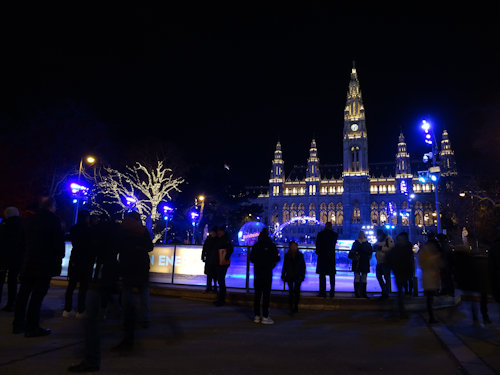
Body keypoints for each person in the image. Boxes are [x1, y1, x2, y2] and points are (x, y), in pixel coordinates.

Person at [68, 214, 120, 373]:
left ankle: (91, 359)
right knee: (94, 316)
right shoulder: (114, 237)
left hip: (98, 277)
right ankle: (91, 358)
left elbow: (90, 251)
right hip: (106, 276)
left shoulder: (96, 237)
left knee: (91, 319)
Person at [13, 197, 65, 337]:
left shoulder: (30, 220)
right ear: (52, 206)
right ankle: (32, 326)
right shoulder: (54, 221)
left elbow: (22, 242)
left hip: (29, 262)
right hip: (44, 264)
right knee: (37, 297)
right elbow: (58, 244)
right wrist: (58, 257)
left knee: (23, 294)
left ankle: (18, 324)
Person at [115, 211, 154, 350]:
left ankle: (126, 318)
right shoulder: (142, 230)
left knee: (126, 291)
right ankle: (145, 319)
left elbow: (117, 246)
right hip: (141, 264)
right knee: (144, 291)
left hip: (126, 263)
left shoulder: (122, 229)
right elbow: (150, 247)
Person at [63, 210, 93, 318]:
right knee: (83, 287)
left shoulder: (74, 229)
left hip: (75, 258)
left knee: (71, 285)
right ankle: (81, 310)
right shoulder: (90, 230)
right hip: (86, 260)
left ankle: (67, 308)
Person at [250, 228, 280, 324]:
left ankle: (257, 315)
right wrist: (271, 263)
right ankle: (265, 316)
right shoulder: (271, 245)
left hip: (258, 271)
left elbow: (251, 258)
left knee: (257, 294)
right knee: (266, 294)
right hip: (267, 272)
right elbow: (277, 257)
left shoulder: (256, 245)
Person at [0, 207, 25, 312]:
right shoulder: (23, 226)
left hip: (3, 257)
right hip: (17, 258)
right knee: (13, 281)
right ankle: (11, 303)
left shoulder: (3, 227)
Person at [387, 232, 414, 318]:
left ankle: (399, 309)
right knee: (400, 292)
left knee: (400, 292)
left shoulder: (402, 249)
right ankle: (401, 311)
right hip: (400, 272)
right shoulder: (400, 249)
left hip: (402, 272)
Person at [418, 232, 443, 324]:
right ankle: (431, 317)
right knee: (430, 298)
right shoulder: (428, 252)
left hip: (431, 276)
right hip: (430, 277)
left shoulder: (426, 250)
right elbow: (425, 263)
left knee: (431, 298)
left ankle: (432, 316)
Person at [281, 241, 305, 315]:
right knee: (291, 292)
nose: (293, 247)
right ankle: (292, 307)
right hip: (290, 275)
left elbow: (303, 266)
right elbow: (284, 266)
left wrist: (302, 275)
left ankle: (295, 306)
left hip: (298, 276)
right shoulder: (287, 255)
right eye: (292, 246)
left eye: (295, 246)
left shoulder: (300, 255)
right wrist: (283, 274)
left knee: (296, 291)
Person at [315, 222, 338, 297]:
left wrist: (318, 252)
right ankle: (332, 291)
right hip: (331, 257)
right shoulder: (334, 235)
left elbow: (317, 246)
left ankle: (322, 292)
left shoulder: (320, 234)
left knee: (322, 275)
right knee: (332, 275)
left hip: (322, 257)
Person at [348, 230, 372, 298]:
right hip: (363, 262)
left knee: (360, 278)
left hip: (358, 262)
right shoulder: (367, 244)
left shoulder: (356, 243)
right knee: (360, 278)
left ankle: (359, 292)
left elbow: (353, 251)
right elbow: (369, 252)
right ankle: (361, 293)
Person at [213, 226, 233, 306]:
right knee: (220, 280)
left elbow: (230, 249)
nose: (218, 232)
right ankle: (220, 298)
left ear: (223, 232)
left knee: (221, 280)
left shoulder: (225, 240)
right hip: (219, 261)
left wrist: (226, 257)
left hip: (223, 262)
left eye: (220, 231)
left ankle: (222, 299)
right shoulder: (219, 239)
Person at [373, 229, 394, 299]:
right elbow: (375, 245)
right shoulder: (379, 240)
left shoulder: (388, 239)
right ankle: (385, 290)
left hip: (386, 261)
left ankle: (386, 292)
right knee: (379, 276)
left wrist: (380, 248)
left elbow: (391, 248)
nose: (377, 237)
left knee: (386, 277)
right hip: (379, 261)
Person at [201, 227, 218, 293]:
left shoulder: (214, 240)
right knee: (209, 274)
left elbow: (204, 248)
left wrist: (203, 256)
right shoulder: (209, 240)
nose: (212, 233)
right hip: (209, 259)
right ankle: (209, 287)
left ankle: (213, 287)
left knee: (213, 274)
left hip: (214, 260)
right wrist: (203, 256)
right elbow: (204, 248)